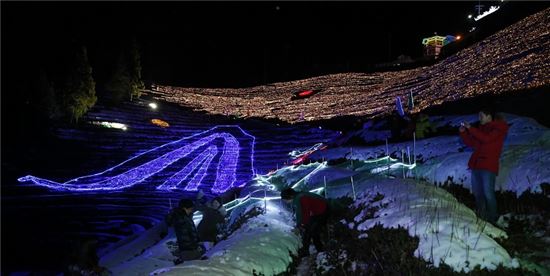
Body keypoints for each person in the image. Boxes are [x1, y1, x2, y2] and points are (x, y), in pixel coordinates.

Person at [459, 108, 509, 224]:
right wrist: (463, 132)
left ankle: (492, 219)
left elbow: (486, 139)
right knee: (478, 193)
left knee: (488, 193)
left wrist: (471, 128)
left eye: (481, 116)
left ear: (489, 117)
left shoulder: (498, 128)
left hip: (488, 165)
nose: (479, 118)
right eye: (479, 116)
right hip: (477, 165)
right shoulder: (482, 130)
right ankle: (481, 217)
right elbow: (472, 142)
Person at [281, 187, 329, 257]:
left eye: (285, 199)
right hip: (317, 212)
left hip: (323, 210)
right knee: (309, 230)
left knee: (312, 231)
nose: (285, 201)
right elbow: (300, 213)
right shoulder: (298, 198)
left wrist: (300, 226)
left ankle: (320, 252)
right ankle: (307, 251)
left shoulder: (301, 198)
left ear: (290, 196)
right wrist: (300, 225)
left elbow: (304, 212)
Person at [165, 198, 205, 264]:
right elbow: (188, 234)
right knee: (191, 265)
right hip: (188, 249)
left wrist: (198, 242)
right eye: (190, 209)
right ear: (184, 208)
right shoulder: (181, 219)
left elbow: (192, 231)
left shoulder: (186, 216)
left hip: (190, 247)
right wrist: (196, 243)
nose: (191, 210)